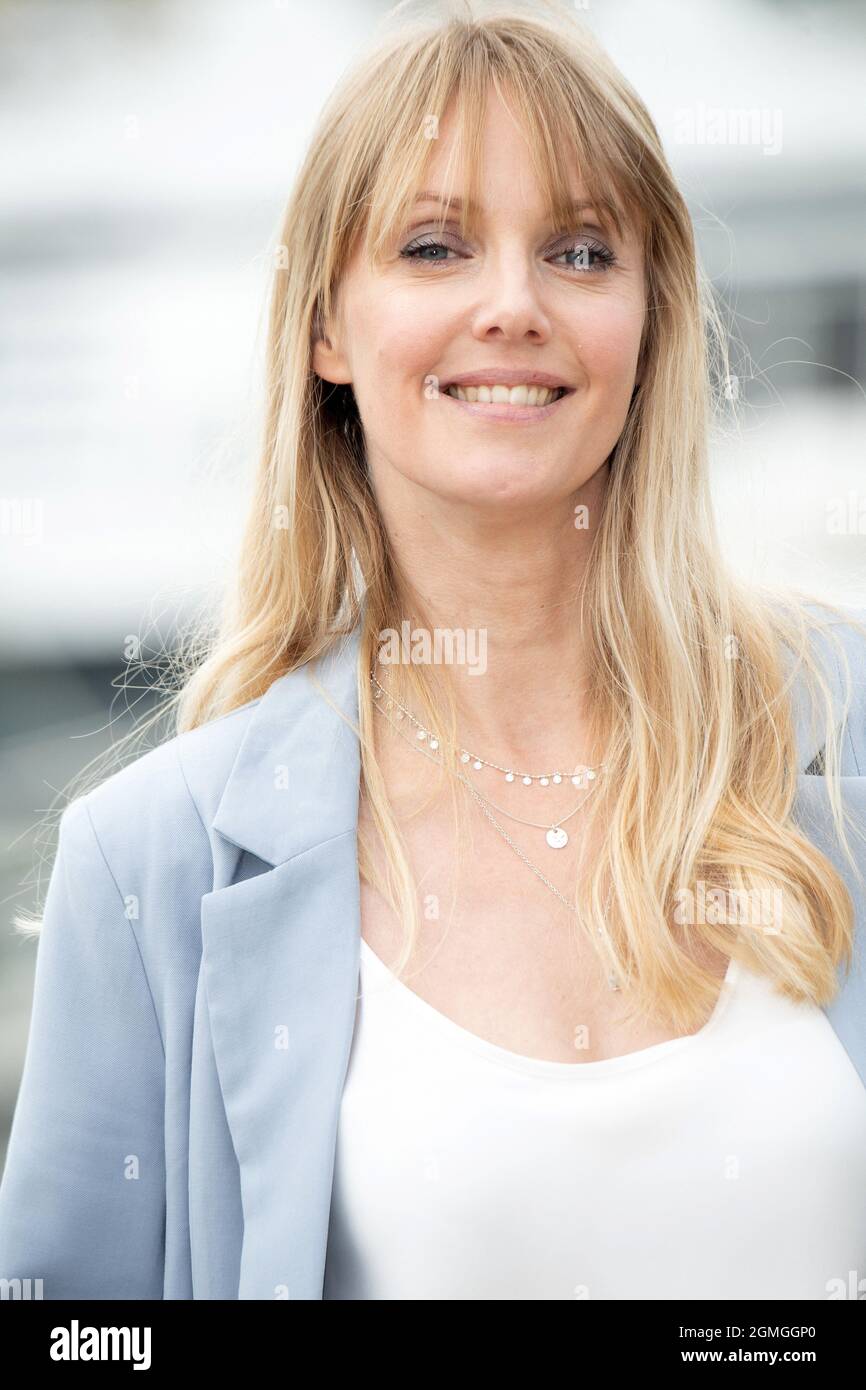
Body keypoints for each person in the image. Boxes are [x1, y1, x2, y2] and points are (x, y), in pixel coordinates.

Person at [1, 0, 866, 1302]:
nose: (512, 305)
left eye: (579, 250)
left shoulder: (847, 730)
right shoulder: (151, 864)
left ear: (650, 321)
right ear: (326, 331)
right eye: (433, 246)